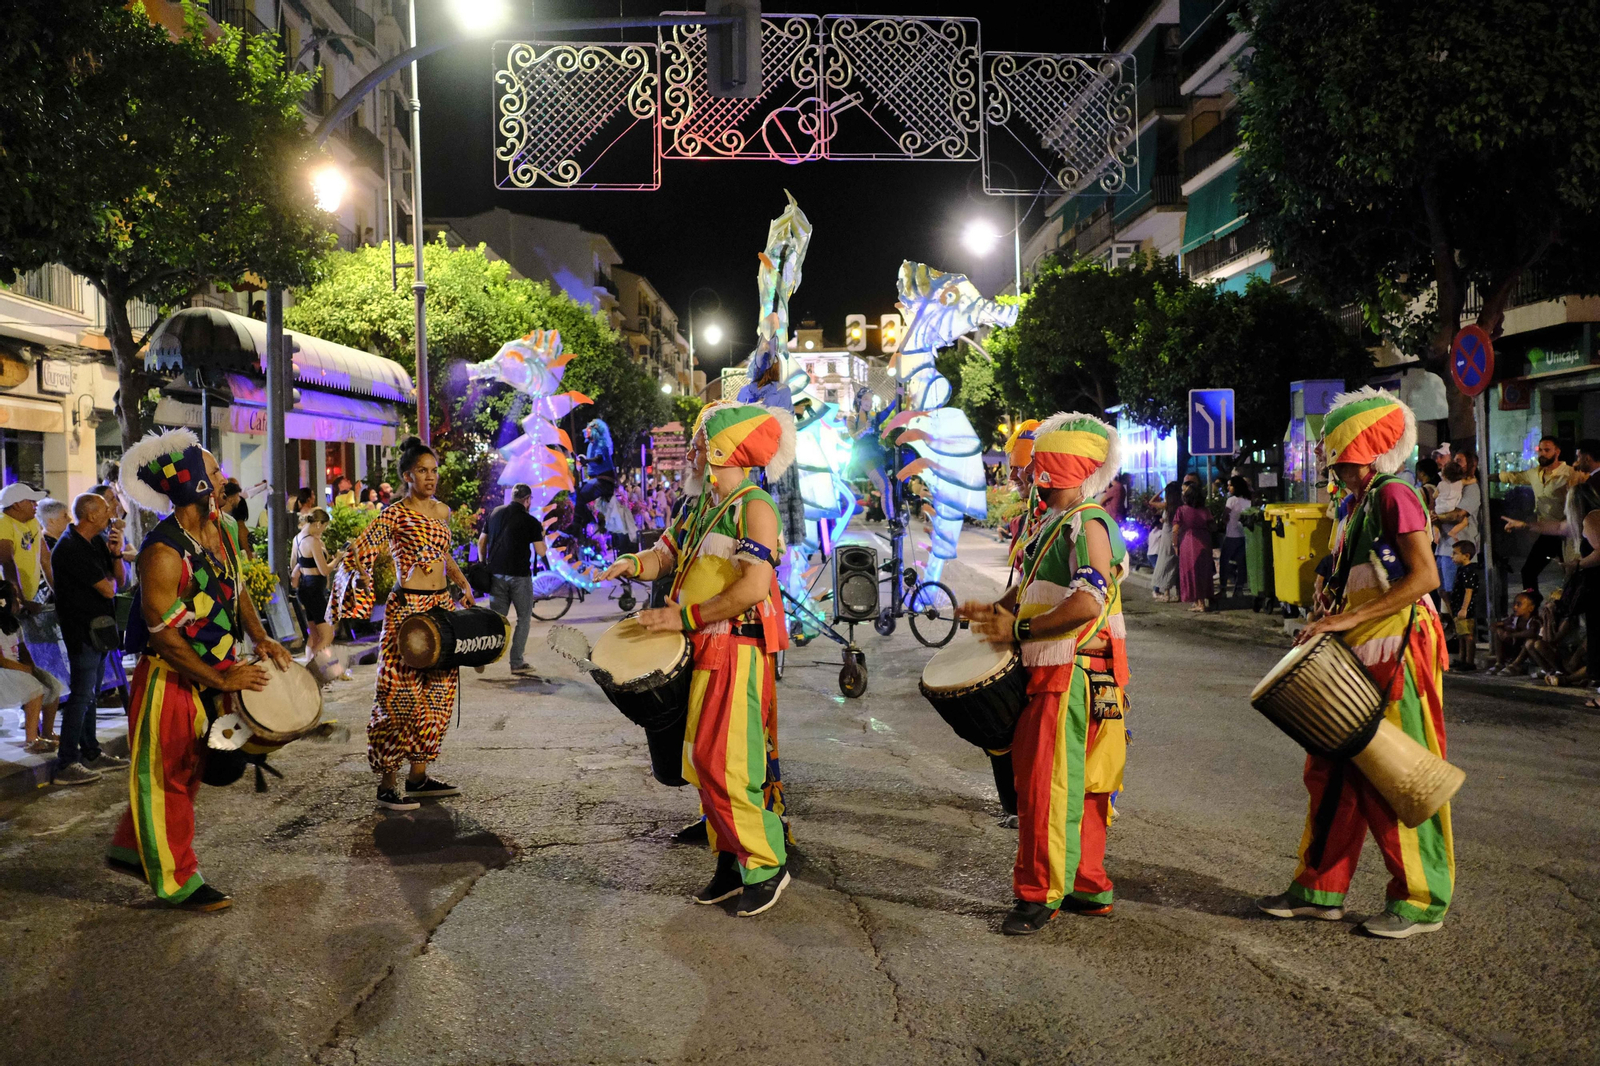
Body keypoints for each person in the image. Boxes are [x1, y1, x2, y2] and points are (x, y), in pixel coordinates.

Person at [1257, 388, 1453, 939]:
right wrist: (1329, 614)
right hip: (1362, 651)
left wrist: (1343, 621)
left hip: (1399, 650)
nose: (1324, 457)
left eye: (1332, 447)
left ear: (1363, 449)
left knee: (1400, 775)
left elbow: (1424, 578)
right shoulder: (1357, 504)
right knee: (1332, 773)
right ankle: (1319, 889)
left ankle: (1421, 899)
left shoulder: (1395, 493)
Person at [600, 402, 795, 916]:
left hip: (738, 647)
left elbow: (754, 587)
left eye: (702, 442)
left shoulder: (755, 506)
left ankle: (767, 864)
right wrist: (630, 563)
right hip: (703, 647)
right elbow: (664, 555)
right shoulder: (701, 505)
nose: (693, 451)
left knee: (729, 762)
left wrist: (683, 618)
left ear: (724, 450)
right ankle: (730, 861)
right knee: (702, 762)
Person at [958, 412, 1130, 935]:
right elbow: (1033, 591)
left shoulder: (1088, 522)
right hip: (1068, 674)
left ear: (1056, 466)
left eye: (1036, 463)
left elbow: (1085, 602)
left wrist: (1020, 634)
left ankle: (1039, 896)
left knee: (1046, 790)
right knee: (1078, 787)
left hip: (1069, 675)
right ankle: (1085, 884)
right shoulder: (1055, 523)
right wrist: (995, 610)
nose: (1027, 473)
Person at [105, 428, 290, 911]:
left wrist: (262, 636)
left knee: (190, 771)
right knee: (168, 777)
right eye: (212, 470)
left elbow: (239, 590)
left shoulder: (225, 530)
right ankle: (176, 879)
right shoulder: (162, 554)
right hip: (171, 678)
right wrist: (222, 679)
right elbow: (163, 634)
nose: (223, 477)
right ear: (188, 480)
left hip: (215, 672)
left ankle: (130, 847)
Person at [332, 437, 475, 811]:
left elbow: (443, 555)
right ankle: (387, 781)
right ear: (408, 475)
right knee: (399, 695)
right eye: (423, 471)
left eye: (434, 471)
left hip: (441, 608)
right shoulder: (394, 515)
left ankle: (418, 777)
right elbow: (366, 548)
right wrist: (351, 563)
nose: (430, 477)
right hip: (406, 612)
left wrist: (462, 584)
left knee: (440, 695)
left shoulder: (442, 512)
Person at [49, 493, 132, 785]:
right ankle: (66, 763)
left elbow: (120, 581)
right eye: (106, 507)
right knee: (81, 696)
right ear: (91, 515)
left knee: (91, 696)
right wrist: (109, 578)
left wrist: (117, 552)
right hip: (81, 631)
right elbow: (109, 590)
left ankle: (92, 752)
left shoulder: (95, 542)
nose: (112, 510)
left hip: (99, 632)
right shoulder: (70, 547)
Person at [478, 483, 548, 678]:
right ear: (527, 500)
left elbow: (481, 542)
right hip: (520, 577)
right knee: (524, 618)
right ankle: (517, 662)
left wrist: (484, 563)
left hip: (496, 575)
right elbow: (541, 551)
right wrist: (543, 536)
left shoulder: (494, 514)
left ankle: (481, 655)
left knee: (497, 621)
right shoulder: (531, 521)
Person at [1499, 437, 1571, 591]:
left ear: (1557, 452)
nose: (1542, 454)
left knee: (1571, 573)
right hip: (1547, 531)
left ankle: (1571, 611)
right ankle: (1532, 606)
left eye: (1547, 450)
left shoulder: (1569, 474)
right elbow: (1513, 477)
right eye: (1540, 450)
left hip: (1567, 531)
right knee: (1529, 571)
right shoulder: (1534, 473)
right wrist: (1484, 478)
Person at [0, 577, 51, 757]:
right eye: (14, 596)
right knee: (34, 689)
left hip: (16, 669)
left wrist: (31, 667)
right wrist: (24, 670)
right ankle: (31, 739)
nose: (19, 600)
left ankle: (47, 732)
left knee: (52, 686)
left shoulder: (15, 625)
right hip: (4, 671)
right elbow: (2, 661)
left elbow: (23, 651)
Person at [292, 508, 339, 662]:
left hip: (305, 588)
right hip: (315, 590)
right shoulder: (313, 541)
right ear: (318, 524)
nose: (324, 530)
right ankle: (313, 669)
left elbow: (294, 565)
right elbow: (324, 570)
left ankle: (320, 670)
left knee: (314, 635)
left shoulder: (297, 539)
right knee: (327, 634)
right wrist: (337, 558)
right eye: (324, 526)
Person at [1174, 483, 1214, 612]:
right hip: (1204, 541)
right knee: (1203, 573)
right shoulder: (1205, 511)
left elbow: (1175, 530)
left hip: (1188, 541)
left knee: (1191, 573)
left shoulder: (1181, 510)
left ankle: (1199, 603)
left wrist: (1175, 544)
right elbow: (1213, 526)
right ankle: (1200, 601)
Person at [1486, 590, 1543, 676]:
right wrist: (1499, 631)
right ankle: (1500, 663)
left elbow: (1533, 632)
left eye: (1519, 604)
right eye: (1514, 604)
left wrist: (1512, 635)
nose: (1515, 607)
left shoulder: (1535, 620)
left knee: (1529, 640)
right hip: (1515, 651)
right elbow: (1493, 625)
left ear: (1531, 608)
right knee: (1499, 633)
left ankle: (1516, 665)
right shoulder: (1514, 618)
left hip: (1529, 656)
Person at [573, 418, 616, 529]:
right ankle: (581, 523)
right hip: (595, 479)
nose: (586, 430)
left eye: (590, 428)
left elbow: (599, 458)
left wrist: (587, 461)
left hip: (604, 480)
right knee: (575, 493)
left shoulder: (602, 443)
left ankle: (587, 522)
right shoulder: (590, 445)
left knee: (581, 496)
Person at [1219, 477, 1253, 600]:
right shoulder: (1248, 500)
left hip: (1232, 535)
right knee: (1241, 563)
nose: (1228, 488)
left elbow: (1225, 515)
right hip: (1244, 535)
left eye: (1230, 485)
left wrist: (1224, 522)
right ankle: (1239, 589)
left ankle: (1223, 588)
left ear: (1236, 487)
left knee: (1224, 561)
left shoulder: (1231, 500)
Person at [1447, 540, 1479, 670]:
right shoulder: (1462, 569)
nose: (1452, 556)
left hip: (1465, 609)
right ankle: (1462, 659)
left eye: (1455, 553)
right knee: (1461, 634)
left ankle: (1469, 662)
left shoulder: (1469, 571)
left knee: (1467, 635)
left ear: (1466, 555)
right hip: (1458, 607)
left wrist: (1464, 608)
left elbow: (1468, 590)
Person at [1149, 481, 1181, 602]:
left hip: (1167, 536)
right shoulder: (1179, 505)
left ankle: (1166, 593)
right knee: (1175, 563)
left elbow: (1151, 502)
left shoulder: (1167, 505)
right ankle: (1178, 593)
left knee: (1165, 561)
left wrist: (1162, 489)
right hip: (1177, 535)